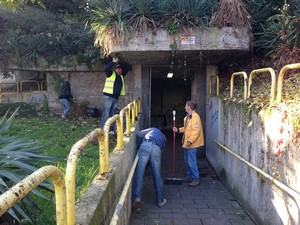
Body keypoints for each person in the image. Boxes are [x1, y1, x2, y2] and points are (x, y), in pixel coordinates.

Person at [132, 127, 167, 209]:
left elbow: (139, 134)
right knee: (157, 175)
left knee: (140, 172)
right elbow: (159, 154)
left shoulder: (155, 129)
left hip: (145, 145)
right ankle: (160, 201)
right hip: (157, 149)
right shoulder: (163, 143)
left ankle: (137, 198)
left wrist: (139, 145)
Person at [172, 100, 204, 187]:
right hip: (187, 144)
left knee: (191, 162)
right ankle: (189, 176)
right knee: (187, 161)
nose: (185, 107)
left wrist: (190, 141)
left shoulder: (195, 117)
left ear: (189, 107)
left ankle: (196, 178)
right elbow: (186, 129)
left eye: (186, 106)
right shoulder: (188, 118)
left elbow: (196, 131)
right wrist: (178, 130)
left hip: (191, 144)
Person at [100, 57, 131, 134]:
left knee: (113, 115)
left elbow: (127, 69)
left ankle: (110, 130)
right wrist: (113, 62)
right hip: (108, 97)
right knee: (106, 114)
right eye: (120, 69)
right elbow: (106, 68)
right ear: (117, 69)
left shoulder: (121, 76)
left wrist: (122, 62)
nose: (121, 71)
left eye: (122, 70)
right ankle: (103, 130)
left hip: (115, 98)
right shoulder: (111, 74)